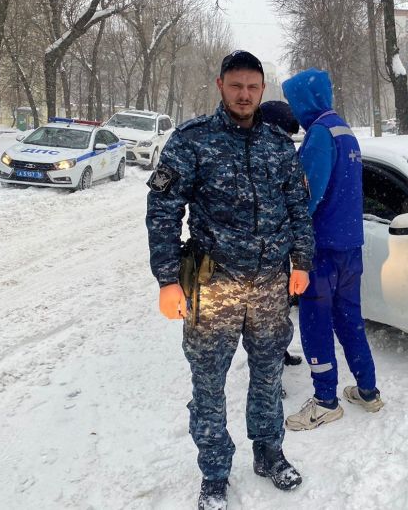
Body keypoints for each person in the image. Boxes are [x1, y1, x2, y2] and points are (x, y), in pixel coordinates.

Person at [145, 50, 314, 510]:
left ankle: (269, 452)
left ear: (263, 90)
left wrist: (301, 261)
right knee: (208, 383)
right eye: (236, 85)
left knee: (267, 375)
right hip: (213, 285)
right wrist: (167, 280)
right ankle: (215, 473)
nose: (244, 94)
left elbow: (299, 208)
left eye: (253, 87)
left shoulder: (278, 144)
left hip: (268, 288)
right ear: (220, 85)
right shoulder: (192, 140)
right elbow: (162, 211)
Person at [281, 67, 383, 432]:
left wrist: (289, 231)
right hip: (350, 245)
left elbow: (306, 194)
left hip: (321, 248)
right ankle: (367, 390)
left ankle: (325, 400)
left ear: (306, 100)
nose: (294, 109)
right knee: (349, 320)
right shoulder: (345, 131)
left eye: (294, 101)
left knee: (315, 323)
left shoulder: (320, 135)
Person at [259, 100, 304, 368]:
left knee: (280, 310)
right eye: (284, 133)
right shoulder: (259, 156)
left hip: (280, 250)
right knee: (266, 318)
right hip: (263, 256)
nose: (287, 139)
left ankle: (280, 354)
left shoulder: (281, 153)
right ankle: (271, 371)